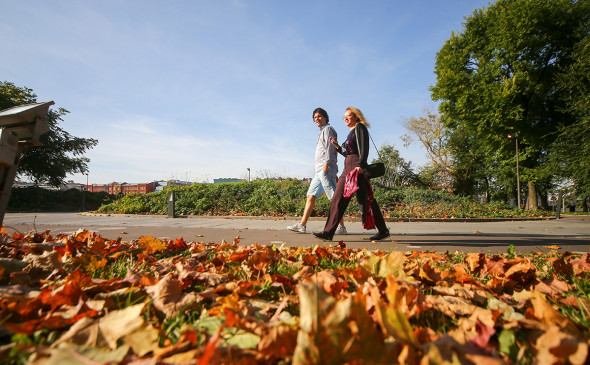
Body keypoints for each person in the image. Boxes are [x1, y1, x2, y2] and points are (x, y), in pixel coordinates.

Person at [313, 107, 390, 241]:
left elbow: (364, 149)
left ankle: (383, 230)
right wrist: (337, 146)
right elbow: (347, 152)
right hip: (347, 167)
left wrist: (360, 165)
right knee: (339, 199)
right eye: (344, 117)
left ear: (356, 116)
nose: (345, 118)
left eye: (349, 115)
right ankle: (328, 232)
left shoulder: (360, 128)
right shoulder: (351, 133)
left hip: (355, 168)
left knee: (366, 201)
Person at [287, 108, 346, 234]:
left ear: (325, 117)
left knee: (333, 198)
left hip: (325, 169)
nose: (316, 119)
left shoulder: (328, 129)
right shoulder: (322, 131)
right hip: (320, 170)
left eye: (319, 116)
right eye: (314, 118)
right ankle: (302, 225)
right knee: (311, 195)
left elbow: (330, 148)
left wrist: (326, 165)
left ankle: (341, 227)